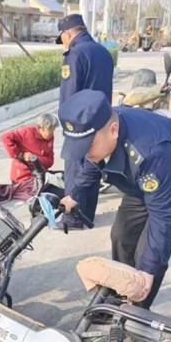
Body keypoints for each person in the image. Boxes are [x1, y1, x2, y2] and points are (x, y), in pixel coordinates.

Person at [59, 90, 171, 309]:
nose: (85, 152)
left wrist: (147, 271)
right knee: (121, 235)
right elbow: (91, 163)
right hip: (143, 182)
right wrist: (75, 195)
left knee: (148, 253)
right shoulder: (99, 132)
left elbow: (163, 216)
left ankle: (137, 309)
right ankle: (118, 293)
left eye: (87, 146)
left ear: (113, 131)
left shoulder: (149, 152)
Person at [56, 14, 114, 230]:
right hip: (101, 120)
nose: (62, 42)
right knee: (93, 165)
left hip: (80, 123)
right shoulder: (104, 52)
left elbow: (69, 96)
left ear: (68, 33)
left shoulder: (75, 54)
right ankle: (88, 214)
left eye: (62, 37)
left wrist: (67, 128)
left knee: (75, 170)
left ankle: (73, 218)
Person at [1, 113, 58, 183]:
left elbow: (50, 161)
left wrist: (35, 158)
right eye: (50, 130)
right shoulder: (27, 132)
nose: (52, 133)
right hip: (22, 177)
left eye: (53, 130)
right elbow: (6, 137)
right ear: (42, 128)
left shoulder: (50, 138)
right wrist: (21, 155)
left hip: (39, 176)